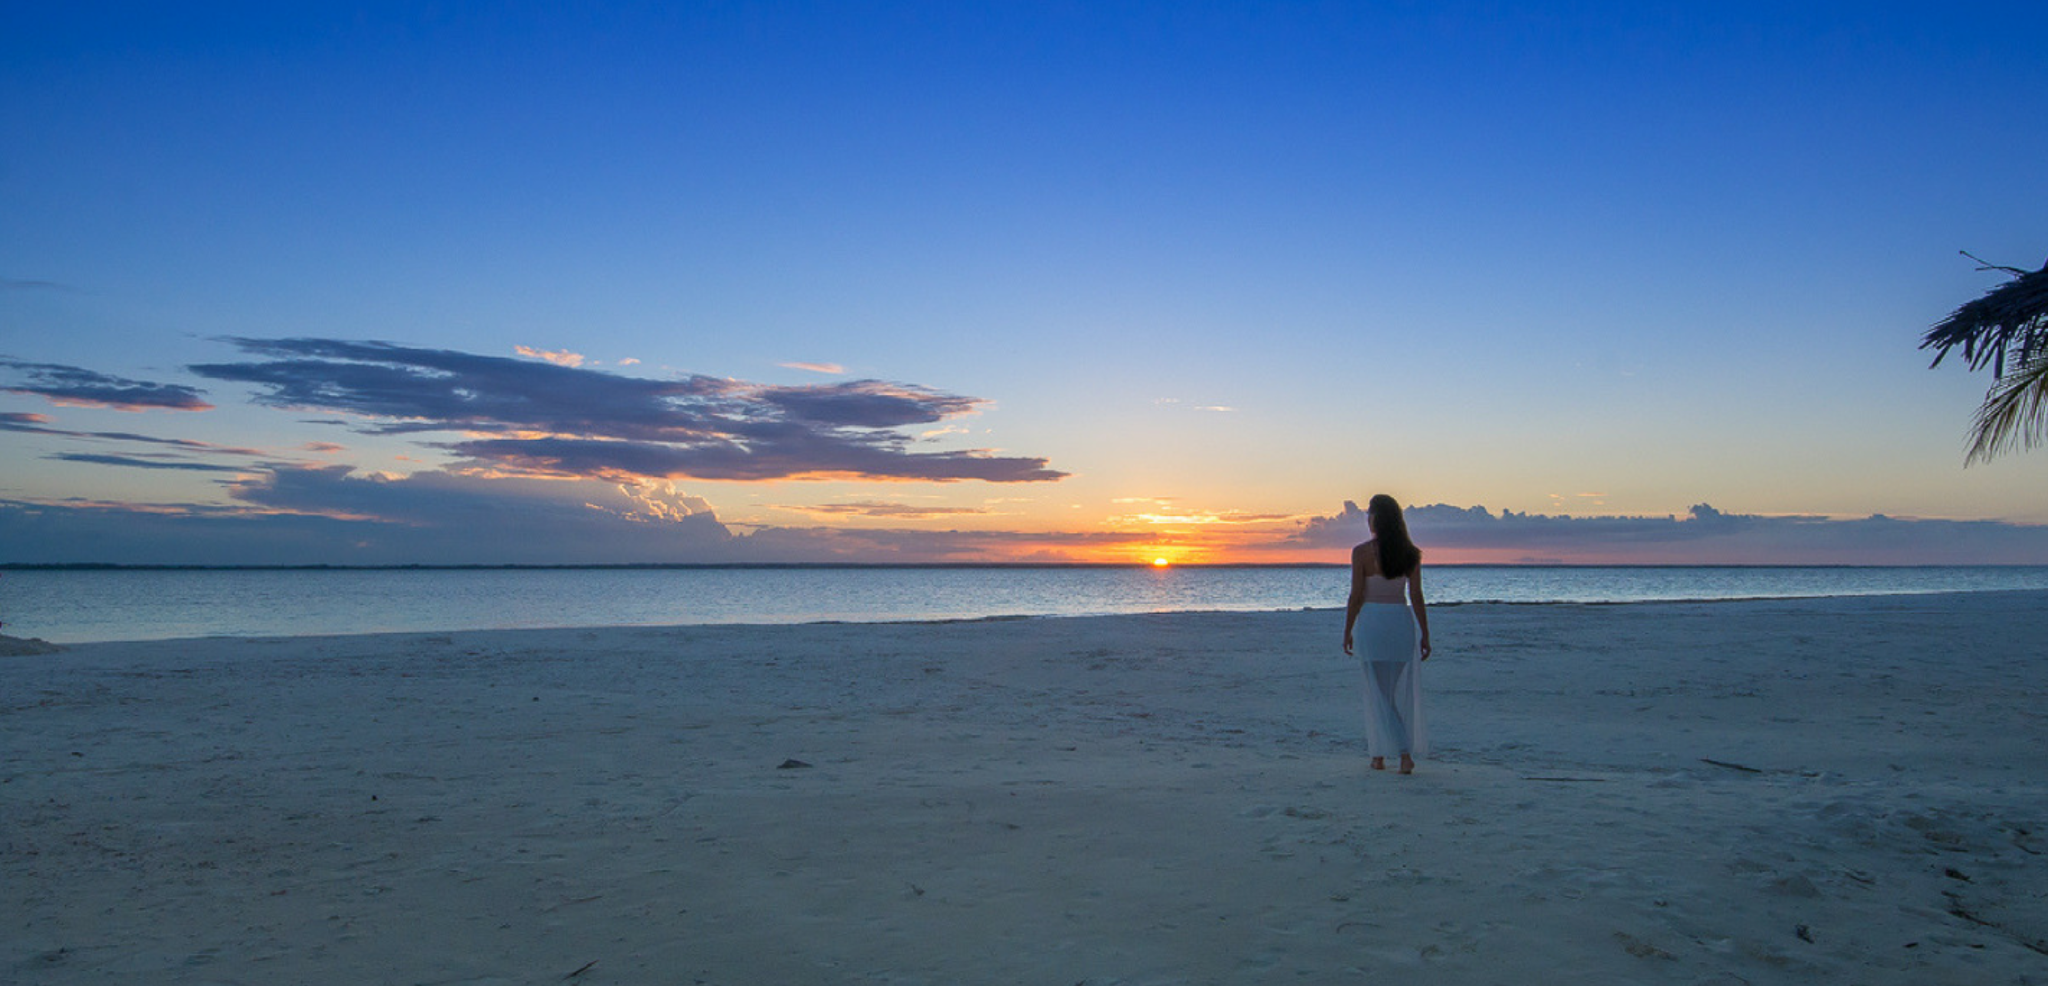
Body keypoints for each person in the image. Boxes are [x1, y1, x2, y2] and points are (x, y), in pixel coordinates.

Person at [1341, 494, 1432, 774]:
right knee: (1385, 692)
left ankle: (1400, 753)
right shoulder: (1410, 553)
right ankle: (1380, 754)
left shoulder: (1362, 552)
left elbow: (1356, 596)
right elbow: (1416, 596)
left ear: (1376, 518)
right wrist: (1424, 633)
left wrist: (1348, 630)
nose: (1367, 518)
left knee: (1378, 692)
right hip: (1399, 623)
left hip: (1373, 623)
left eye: (1369, 514)